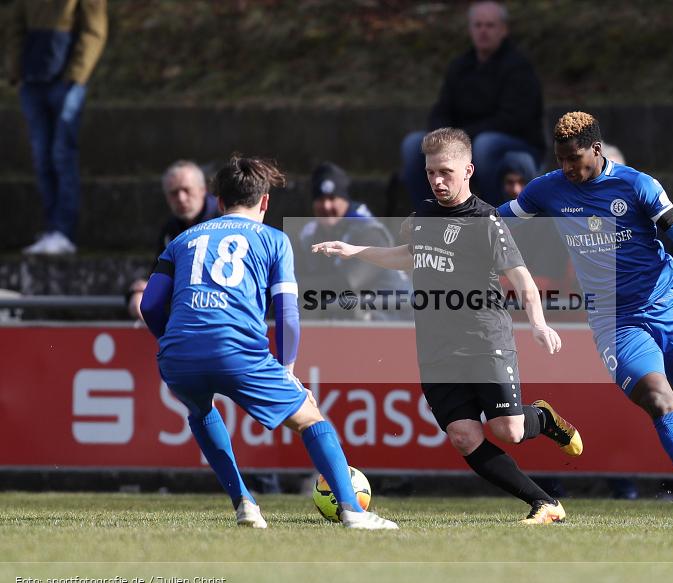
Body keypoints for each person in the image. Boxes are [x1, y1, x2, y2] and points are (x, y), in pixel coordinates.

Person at [313, 128, 581, 524]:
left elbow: (522, 279)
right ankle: (544, 503)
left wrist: (538, 324)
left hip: (485, 340)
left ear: (468, 170)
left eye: (446, 172)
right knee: (463, 436)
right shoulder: (424, 216)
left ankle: (542, 418)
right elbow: (409, 256)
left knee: (508, 430)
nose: (437, 181)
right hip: (436, 348)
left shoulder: (486, 220)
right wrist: (355, 251)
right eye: (430, 173)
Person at [498, 112, 673, 524]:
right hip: (615, 321)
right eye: (560, 160)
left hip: (666, 308)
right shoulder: (548, 189)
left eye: (574, 159)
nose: (567, 168)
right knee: (659, 400)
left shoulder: (637, 186)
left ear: (596, 150)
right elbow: (496, 219)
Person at [139, 155, 398, 530]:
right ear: (264, 201)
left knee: (200, 413)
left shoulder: (182, 239)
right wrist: (288, 369)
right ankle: (353, 512)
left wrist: (173, 340)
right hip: (237, 350)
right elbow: (288, 314)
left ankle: (244, 503)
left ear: (219, 202)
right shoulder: (274, 240)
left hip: (178, 355)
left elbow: (149, 304)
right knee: (310, 418)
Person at [400, 1, 544, 209]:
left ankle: (493, 215)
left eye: (490, 25)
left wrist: (462, 136)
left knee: (485, 144)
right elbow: (441, 109)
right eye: (478, 25)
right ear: (470, 29)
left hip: (514, 142)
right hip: (463, 139)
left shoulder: (519, 68)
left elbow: (513, 120)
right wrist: (442, 135)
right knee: (413, 144)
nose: (483, 31)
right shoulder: (460, 66)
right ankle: (428, 216)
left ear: (503, 30)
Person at [8, 0, 108, 255]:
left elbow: (94, 30)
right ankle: (51, 228)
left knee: (62, 155)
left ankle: (64, 231)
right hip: (33, 79)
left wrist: (75, 75)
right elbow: (16, 26)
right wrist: (17, 70)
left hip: (65, 81)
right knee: (42, 158)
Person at [296, 162, 411, 320]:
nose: (326, 206)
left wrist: (292, 285)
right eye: (320, 199)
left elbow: (346, 284)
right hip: (359, 319)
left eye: (332, 198)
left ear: (345, 200)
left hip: (398, 320)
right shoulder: (312, 234)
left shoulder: (369, 231)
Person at [127, 161, 219, 319]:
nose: (181, 198)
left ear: (202, 190)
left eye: (186, 190)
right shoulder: (171, 230)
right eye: (174, 193)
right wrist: (139, 291)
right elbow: (158, 272)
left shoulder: (225, 219)